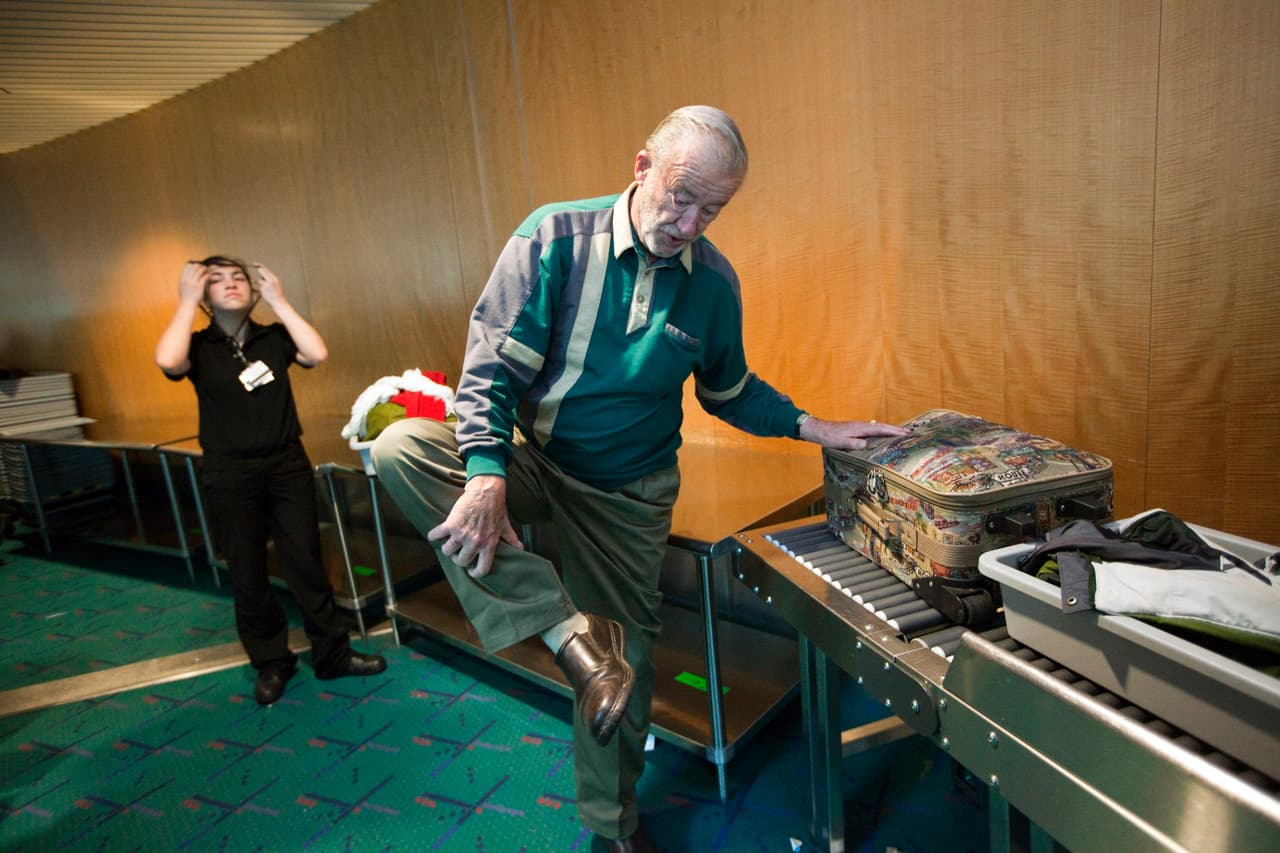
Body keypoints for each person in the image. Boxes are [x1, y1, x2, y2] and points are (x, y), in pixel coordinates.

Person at [371, 106, 909, 852]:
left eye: (712, 209)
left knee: (627, 666)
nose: (690, 223)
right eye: (681, 197)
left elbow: (729, 390)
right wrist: (488, 474)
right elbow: (490, 370)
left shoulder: (714, 282)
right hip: (539, 459)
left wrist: (816, 427)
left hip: (628, 492)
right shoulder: (553, 239)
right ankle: (566, 633)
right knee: (402, 447)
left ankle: (611, 824)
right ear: (642, 167)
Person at [155, 256, 386, 706]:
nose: (231, 285)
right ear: (203, 295)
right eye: (215, 280)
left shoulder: (274, 338)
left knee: (307, 561)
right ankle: (271, 661)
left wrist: (279, 302)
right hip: (229, 470)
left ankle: (332, 654)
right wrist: (186, 300)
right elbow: (167, 360)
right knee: (247, 569)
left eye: (239, 277)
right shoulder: (198, 346)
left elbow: (316, 354)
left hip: (286, 464)